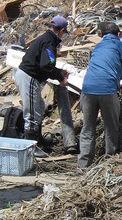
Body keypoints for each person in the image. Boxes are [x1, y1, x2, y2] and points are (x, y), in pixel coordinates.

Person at [78, 21, 122, 168]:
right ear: (118, 34)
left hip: (87, 89)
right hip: (107, 91)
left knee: (87, 127)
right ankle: (109, 162)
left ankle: (83, 163)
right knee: (111, 126)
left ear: (101, 35)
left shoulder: (97, 47)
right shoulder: (120, 46)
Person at [13, 15, 75, 152]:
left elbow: (46, 64)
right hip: (29, 77)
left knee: (39, 108)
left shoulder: (45, 38)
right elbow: (46, 65)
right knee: (32, 114)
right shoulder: (49, 42)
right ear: (62, 30)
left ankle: (38, 139)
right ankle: (30, 148)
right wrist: (60, 77)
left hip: (28, 76)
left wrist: (59, 71)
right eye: (64, 33)